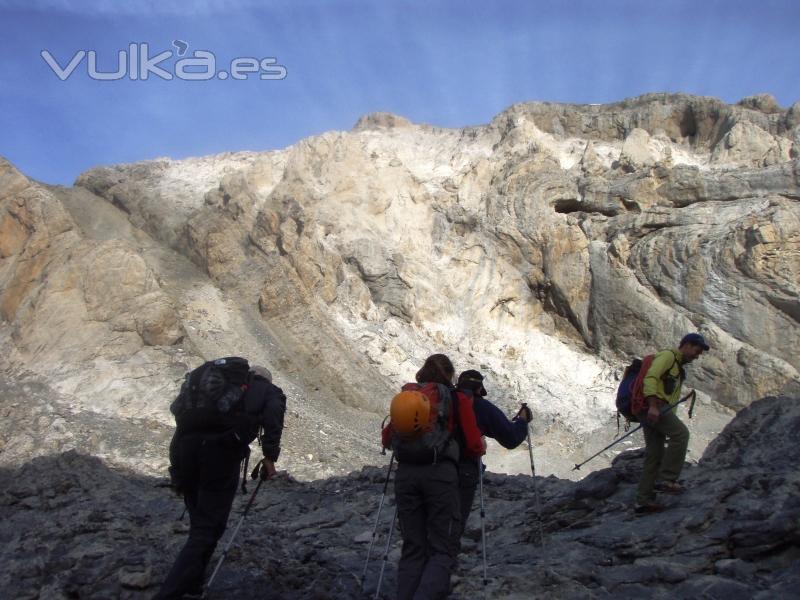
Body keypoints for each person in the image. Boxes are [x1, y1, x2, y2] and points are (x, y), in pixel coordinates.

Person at [154, 362, 286, 599]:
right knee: (208, 527)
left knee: (200, 525)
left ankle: (192, 583)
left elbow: (182, 427)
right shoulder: (265, 389)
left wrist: (176, 470)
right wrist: (269, 456)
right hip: (220, 454)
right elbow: (273, 416)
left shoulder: (209, 394)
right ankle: (169, 593)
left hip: (186, 453)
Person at [381, 354, 485, 600]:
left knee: (413, 547)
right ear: (449, 375)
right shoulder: (456, 398)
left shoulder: (407, 398)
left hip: (405, 475)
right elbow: (473, 444)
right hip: (440, 475)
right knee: (442, 548)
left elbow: (387, 438)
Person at [454, 370, 531, 546]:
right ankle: (442, 564)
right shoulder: (481, 406)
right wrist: (522, 421)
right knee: (454, 522)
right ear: (479, 388)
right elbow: (511, 439)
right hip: (464, 471)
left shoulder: (445, 400)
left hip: (430, 466)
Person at [634, 333, 709, 514]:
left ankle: (643, 501)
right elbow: (650, 378)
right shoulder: (668, 357)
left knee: (655, 453)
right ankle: (667, 479)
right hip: (655, 408)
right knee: (681, 434)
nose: (697, 356)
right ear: (687, 345)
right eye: (696, 351)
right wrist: (652, 406)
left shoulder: (678, 366)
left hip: (651, 410)